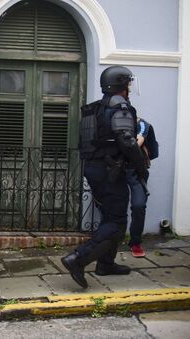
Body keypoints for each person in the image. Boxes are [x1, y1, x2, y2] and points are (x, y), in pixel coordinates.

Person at [62, 66, 148, 288]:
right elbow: (127, 141)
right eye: (127, 84)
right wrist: (141, 168)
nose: (129, 88)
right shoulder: (119, 108)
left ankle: (106, 264)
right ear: (121, 85)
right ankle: (78, 259)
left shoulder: (97, 108)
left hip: (96, 169)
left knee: (110, 217)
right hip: (110, 172)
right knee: (117, 222)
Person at [126, 117, 158, 257]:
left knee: (139, 206)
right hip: (116, 169)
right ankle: (109, 239)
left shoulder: (141, 123)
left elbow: (138, 142)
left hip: (136, 171)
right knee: (112, 206)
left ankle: (135, 242)